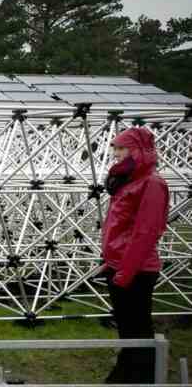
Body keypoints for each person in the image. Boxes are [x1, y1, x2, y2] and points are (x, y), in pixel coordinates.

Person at [101, 127, 169, 384]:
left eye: (121, 148)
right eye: (115, 148)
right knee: (128, 328)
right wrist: (108, 263)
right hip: (119, 267)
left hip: (136, 271)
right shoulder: (129, 180)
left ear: (137, 151)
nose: (116, 154)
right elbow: (119, 227)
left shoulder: (152, 183)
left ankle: (140, 376)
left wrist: (124, 273)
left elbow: (146, 233)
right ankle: (128, 373)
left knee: (137, 328)